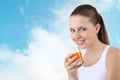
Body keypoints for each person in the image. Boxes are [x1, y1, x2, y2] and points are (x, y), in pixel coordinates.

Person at [64, 4, 120, 80]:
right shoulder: (78, 64)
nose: (76, 36)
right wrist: (72, 76)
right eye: (72, 30)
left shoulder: (113, 54)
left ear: (97, 28)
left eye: (82, 29)